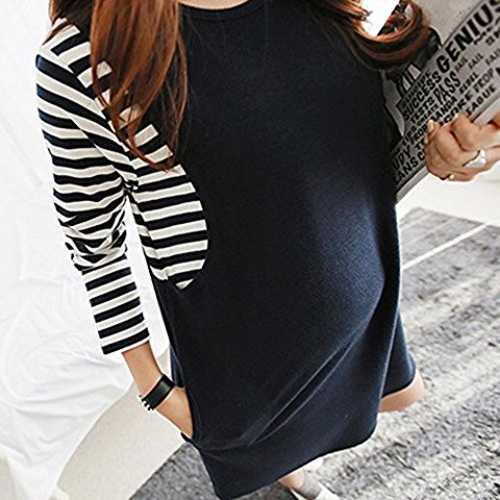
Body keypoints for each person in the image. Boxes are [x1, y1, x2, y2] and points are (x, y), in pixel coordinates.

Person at [34, 0, 500, 498]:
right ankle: (291, 476)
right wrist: (155, 389)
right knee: (272, 454)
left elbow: (348, 128)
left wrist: (444, 152)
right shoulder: (84, 57)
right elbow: (93, 239)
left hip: (367, 313)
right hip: (249, 368)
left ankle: (293, 471)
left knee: (395, 399)